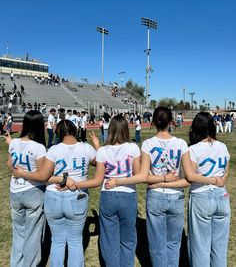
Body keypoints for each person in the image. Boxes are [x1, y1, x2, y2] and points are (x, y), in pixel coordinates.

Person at [12, 120, 96, 267]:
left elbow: (43, 176)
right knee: (75, 241)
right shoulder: (86, 148)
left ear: (58, 133)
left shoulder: (53, 150)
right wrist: (96, 146)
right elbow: (100, 162)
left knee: (57, 241)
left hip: (53, 196)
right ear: (75, 131)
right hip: (77, 196)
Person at [76, 114, 141, 267]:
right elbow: (138, 176)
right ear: (125, 129)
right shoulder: (133, 147)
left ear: (110, 129)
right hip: (128, 195)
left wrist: (76, 183)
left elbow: (98, 180)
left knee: (109, 239)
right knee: (128, 238)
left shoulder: (103, 151)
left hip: (108, 196)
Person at [141, 106, 190, 267]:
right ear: (171, 122)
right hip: (176, 195)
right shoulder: (181, 144)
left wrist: (162, 181)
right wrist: (168, 179)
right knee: (174, 242)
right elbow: (187, 176)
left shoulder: (148, 144)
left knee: (157, 243)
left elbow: (144, 176)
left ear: (154, 122)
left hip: (156, 194)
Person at [182, 112, 230, 267]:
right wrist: (219, 180)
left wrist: (213, 180)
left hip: (202, 197)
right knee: (219, 247)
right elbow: (226, 170)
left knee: (199, 247)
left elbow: (190, 176)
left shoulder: (194, 149)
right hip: (222, 197)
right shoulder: (222, 146)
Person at [6, 110, 47, 267]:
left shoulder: (14, 143)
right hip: (33, 192)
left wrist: (19, 172)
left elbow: (10, 165)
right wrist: (24, 173)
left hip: (15, 191)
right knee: (33, 236)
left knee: (19, 234)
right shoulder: (39, 147)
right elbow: (42, 175)